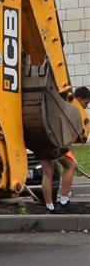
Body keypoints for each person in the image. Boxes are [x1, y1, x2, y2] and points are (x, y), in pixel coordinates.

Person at [41, 86, 90, 214]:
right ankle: (63, 202)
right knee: (71, 166)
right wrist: (72, 159)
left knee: (48, 172)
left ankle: (49, 207)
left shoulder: (53, 103)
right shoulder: (70, 109)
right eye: (86, 103)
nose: (85, 107)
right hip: (53, 140)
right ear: (78, 99)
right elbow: (65, 139)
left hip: (40, 138)